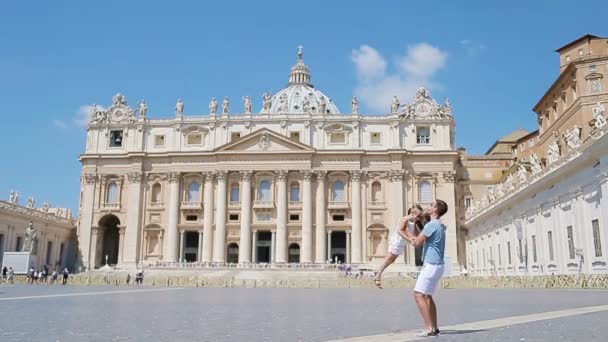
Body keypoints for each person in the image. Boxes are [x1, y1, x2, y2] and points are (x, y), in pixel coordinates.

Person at [409, 199, 449, 337]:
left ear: (435, 210)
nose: (428, 206)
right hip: (438, 265)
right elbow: (425, 236)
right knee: (427, 296)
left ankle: (429, 328)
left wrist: (404, 231)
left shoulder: (431, 225)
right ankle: (435, 327)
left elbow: (417, 243)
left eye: (431, 205)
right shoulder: (439, 225)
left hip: (431, 265)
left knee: (418, 294)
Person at [374, 205, 425, 288]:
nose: (419, 218)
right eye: (418, 216)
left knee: (391, 259)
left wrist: (416, 237)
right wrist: (410, 240)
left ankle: (378, 274)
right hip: (398, 241)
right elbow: (400, 231)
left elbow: (414, 234)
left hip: (403, 242)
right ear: (413, 213)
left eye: (420, 216)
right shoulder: (405, 219)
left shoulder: (413, 222)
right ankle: (378, 275)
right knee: (389, 259)